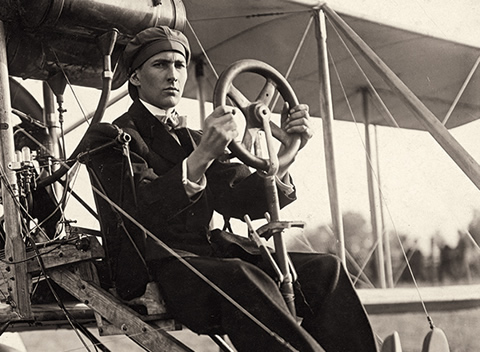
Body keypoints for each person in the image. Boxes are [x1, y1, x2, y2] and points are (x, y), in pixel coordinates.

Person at [86, 26, 379, 352]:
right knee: (243, 277)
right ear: (136, 78)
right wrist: (199, 159)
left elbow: (241, 199)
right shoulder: (110, 137)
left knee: (326, 269)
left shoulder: (196, 138)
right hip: (161, 269)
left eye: (179, 65)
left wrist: (288, 152)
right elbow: (136, 214)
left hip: (214, 258)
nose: (173, 75)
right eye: (160, 65)